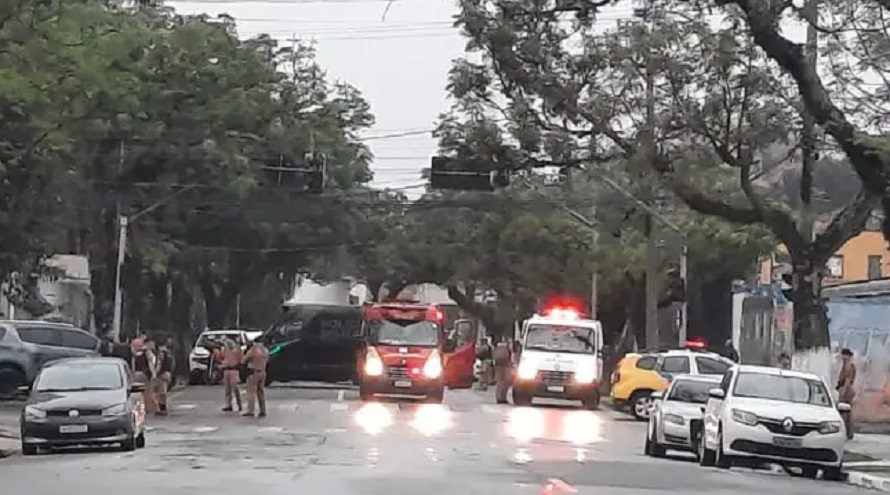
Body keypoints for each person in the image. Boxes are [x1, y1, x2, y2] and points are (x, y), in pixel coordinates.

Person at [242, 340, 269, 418]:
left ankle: (250, 410)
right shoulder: (265, 350)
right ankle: (263, 410)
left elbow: (244, 359)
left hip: (253, 372)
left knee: (251, 392)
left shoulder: (253, 350)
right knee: (261, 392)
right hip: (263, 372)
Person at [133, 337, 158, 415]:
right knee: (148, 392)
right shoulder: (147, 352)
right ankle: (150, 409)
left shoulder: (134, 354)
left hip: (136, 374)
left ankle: (140, 410)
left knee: (138, 394)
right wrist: (154, 373)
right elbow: (150, 363)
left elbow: (133, 365)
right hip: (145, 374)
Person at [837, 348, 857, 439]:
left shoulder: (849, 366)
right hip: (846, 389)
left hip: (847, 391)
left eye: (844, 355)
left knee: (845, 411)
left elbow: (848, 380)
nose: (843, 357)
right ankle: (848, 432)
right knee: (847, 411)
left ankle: (848, 432)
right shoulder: (846, 365)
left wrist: (843, 391)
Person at [220, 339, 243, 412]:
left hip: (233, 370)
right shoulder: (224, 351)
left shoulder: (236, 351)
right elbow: (222, 358)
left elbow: (240, 359)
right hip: (226, 369)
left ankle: (239, 404)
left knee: (235, 388)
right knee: (227, 389)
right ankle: (228, 404)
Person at [154, 343, 176, 416]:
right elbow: (172, 365)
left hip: (162, 374)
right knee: (163, 392)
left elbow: (159, 365)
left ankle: (162, 408)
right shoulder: (170, 355)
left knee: (161, 392)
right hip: (167, 374)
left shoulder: (161, 354)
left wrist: (155, 373)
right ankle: (163, 408)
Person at [492, 337, 513, 404]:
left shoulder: (497, 349)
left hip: (498, 367)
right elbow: (509, 358)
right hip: (505, 367)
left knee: (499, 383)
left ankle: (499, 398)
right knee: (504, 384)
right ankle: (502, 398)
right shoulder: (506, 349)